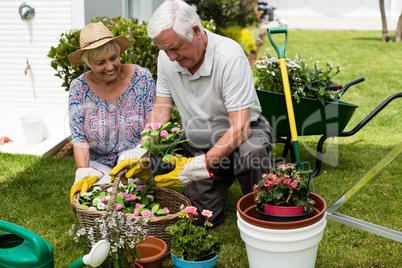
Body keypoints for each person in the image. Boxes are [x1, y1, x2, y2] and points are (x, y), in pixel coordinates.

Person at [110, 0, 273, 227]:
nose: (171, 57)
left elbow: (240, 128)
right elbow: (161, 109)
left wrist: (196, 167)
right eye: (164, 50)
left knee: (252, 154)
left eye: (175, 48)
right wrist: (142, 148)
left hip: (244, 133)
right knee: (200, 218)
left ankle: (261, 214)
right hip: (200, 141)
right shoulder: (167, 57)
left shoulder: (229, 56)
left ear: (196, 31)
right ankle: (219, 180)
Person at [68, 22, 156, 204]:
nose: (110, 67)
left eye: (113, 58)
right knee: (98, 199)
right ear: (87, 63)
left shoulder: (142, 78)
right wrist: (84, 171)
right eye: (100, 62)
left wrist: (142, 155)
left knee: (128, 194)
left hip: (133, 155)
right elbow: (79, 137)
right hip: (98, 160)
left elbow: (152, 124)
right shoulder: (78, 87)